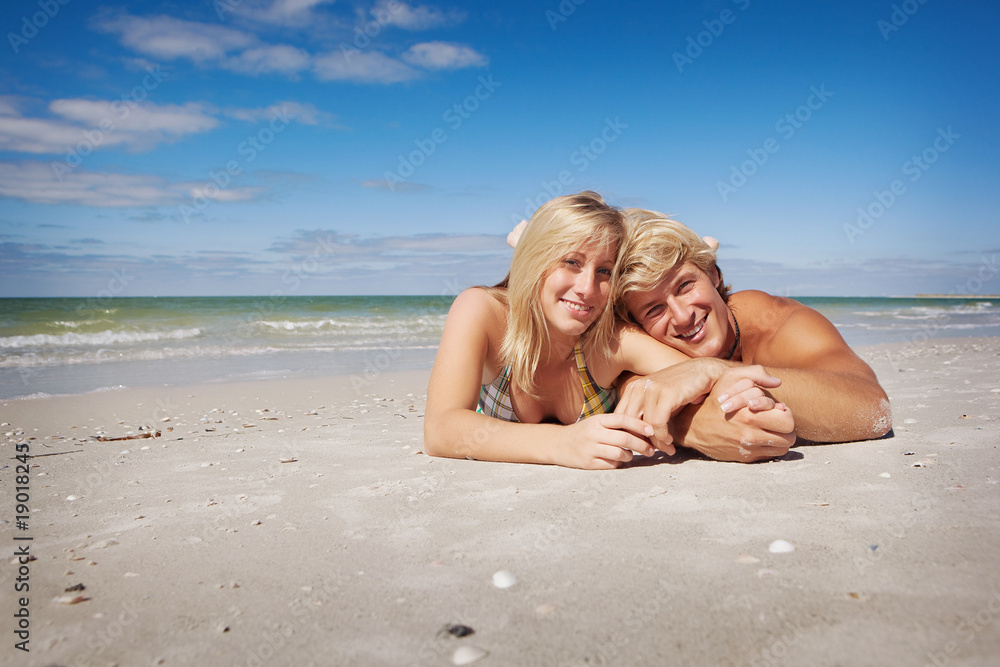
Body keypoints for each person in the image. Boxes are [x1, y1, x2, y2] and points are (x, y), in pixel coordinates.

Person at [424, 192, 792, 469]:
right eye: (571, 261)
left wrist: (710, 368)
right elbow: (440, 429)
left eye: (604, 271)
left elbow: (700, 373)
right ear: (537, 260)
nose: (587, 287)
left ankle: (700, 250)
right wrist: (561, 444)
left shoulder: (613, 341)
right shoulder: (484, 311)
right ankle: (524, 244)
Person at [612, 208, 893, 462]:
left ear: (713, 275)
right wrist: (690, 427)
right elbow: (627, 389)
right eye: (654, 309)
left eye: (685, 286)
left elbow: (874, 410)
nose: (683, 316)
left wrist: (712, 371)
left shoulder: (778, 325)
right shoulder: (639, 344)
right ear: (637, 324)